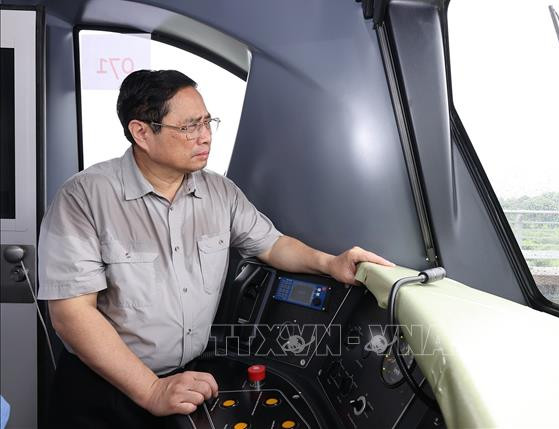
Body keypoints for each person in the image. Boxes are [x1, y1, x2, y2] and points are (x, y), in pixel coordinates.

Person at [37, 69, 393, 428]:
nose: (205, 136)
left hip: (183, 382)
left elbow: (272, 245)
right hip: (104, 389)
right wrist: (151, 390)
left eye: (207, 122)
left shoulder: (220, 193)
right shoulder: (84, 197)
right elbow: (71, 314)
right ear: (141, 132)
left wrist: (330, 263)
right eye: (189, 126)